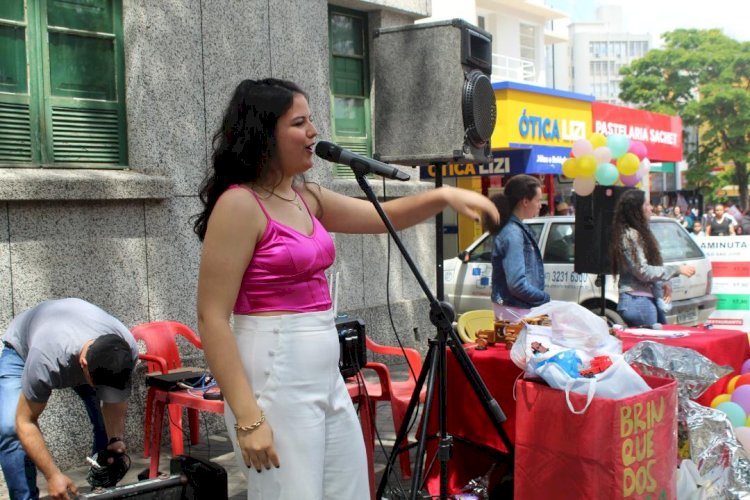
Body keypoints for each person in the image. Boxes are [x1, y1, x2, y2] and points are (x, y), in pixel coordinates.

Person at [193, 78, 499, 500]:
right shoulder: (240, 204)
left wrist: (443, 195)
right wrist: (248, 417)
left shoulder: (306, 197)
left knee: (351, 490)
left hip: (325, 378)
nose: (314, 132)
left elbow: (382, 215)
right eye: (300, 122)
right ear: (265, 133)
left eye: (311, 120)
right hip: (276, 379)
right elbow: (212, 316)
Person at [0, 298, 138, 500]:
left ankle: (100, 490)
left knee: (104, 424)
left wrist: (115, 439)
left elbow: (114, 400)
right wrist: (52, 475)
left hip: (73, 339)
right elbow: (25, 421)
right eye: (99, 385)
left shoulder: (126, 349)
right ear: (84, 365)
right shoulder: (46, 359)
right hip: (23, 350)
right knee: (9, 428)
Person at [611, 190, 696, 327]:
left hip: (642, 300)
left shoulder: (637, 233)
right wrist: (676, 269)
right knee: (651, 346)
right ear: (637, 210)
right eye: (647, 204)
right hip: (637, 301)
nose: (651, 208)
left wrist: (662, 283)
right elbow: (643, 271)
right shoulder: (631, 235)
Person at [485, 174, 549, 321]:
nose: (540, 205)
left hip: (515, 308)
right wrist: (546, 298)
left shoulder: (515, 229)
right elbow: (517, 284)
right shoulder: (513, 232)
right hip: (514, 309)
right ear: (525, 201)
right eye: (538, 200)